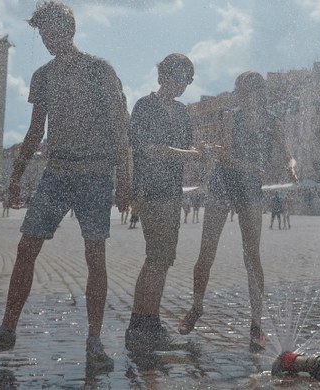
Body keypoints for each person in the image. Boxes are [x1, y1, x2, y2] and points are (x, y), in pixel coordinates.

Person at [0, 1, 130, 371]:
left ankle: (94, 340)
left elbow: (119, 127)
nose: (49, 40)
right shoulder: (43, 76)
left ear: (69, 30)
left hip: (95, 174)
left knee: (95, 257)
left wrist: (126, 178)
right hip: (56, 173)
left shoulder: (99, 69)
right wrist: (17, 176)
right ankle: (7, 331)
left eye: (53, 32)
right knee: (26, 249)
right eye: (43, 34)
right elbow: (36, 130)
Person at [178, 71, 297, 353]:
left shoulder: (272, 120)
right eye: (244, 89)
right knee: (207, 250)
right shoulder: (232, 116)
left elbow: (287, 151)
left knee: (252, 254)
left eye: (253, 89)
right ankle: (196, 306)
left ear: (260, 92)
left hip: (250, 186)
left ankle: (256, 323)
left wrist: (292, 165)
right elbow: (224, 155)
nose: (248, 94)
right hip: (224, 181)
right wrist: (247, 168)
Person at [124, 53, 203, 352]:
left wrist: (202, 150)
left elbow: (187, 147)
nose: (185, 85)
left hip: (172, 190)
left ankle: (144, 322)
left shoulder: (182, 112)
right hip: (150, 188)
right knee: (157, 257)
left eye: (189, 80)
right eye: (181, 77)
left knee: (162, 259)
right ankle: (144, 323)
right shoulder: (144, 106)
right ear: (164, 76)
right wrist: (187, 154)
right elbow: (148, 149)